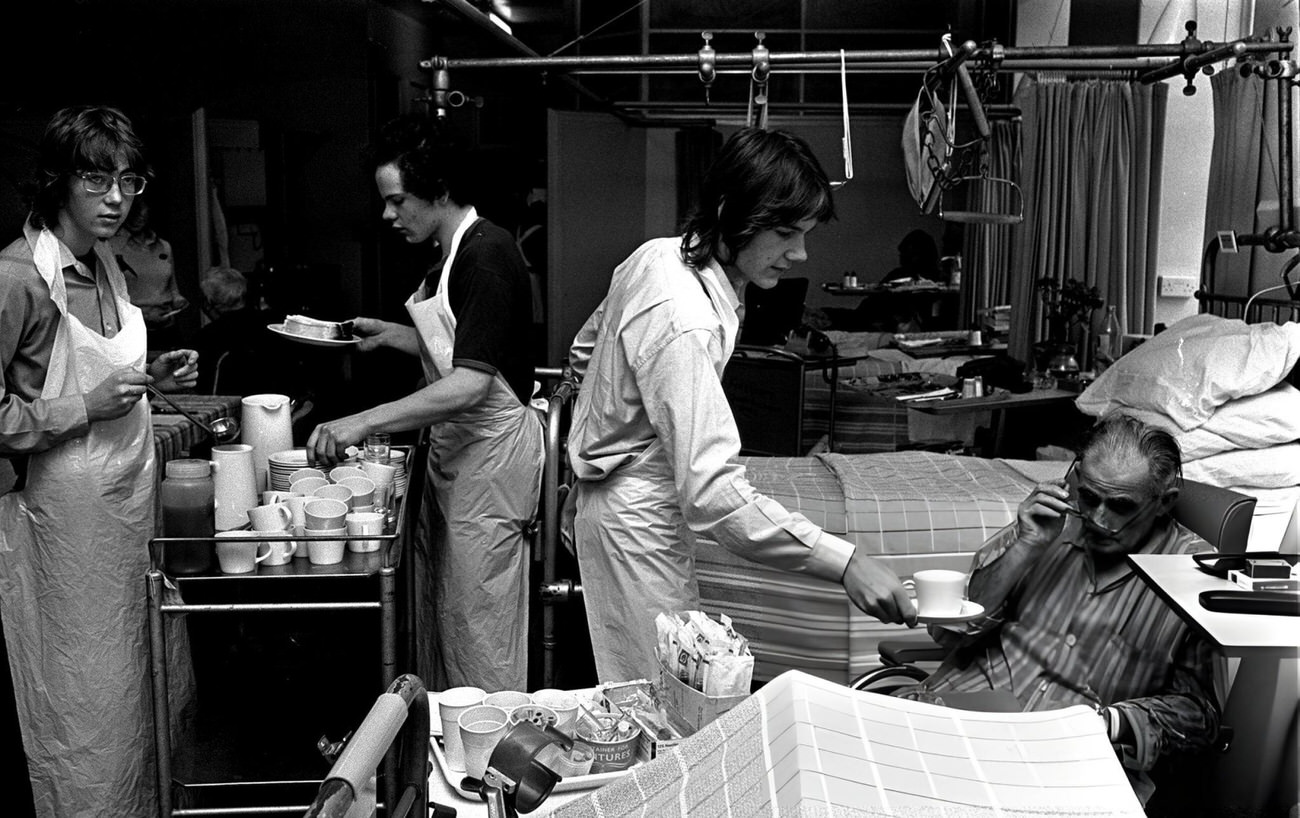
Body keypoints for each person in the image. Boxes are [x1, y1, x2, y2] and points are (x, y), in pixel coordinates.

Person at [566, 128, 916, 684]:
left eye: (803, 233)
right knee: (664, 703)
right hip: (637, 518)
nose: (799, 253)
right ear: (730, 212)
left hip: (624, 494)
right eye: (784, 232)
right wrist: (846, 562)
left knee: (662, 687)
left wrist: (589, 443)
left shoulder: (658, 255)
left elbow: (585, 350)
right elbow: (711, 495)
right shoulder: (685, 316)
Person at [0, 105, 199, 816]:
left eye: (129, 180)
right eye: (96, 179)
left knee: (138, 692)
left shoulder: (105, 265)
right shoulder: (18, 278)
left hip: (127, 525)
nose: (116, 198)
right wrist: (86, 405)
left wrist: (155, 383)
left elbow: (109, 377)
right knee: (84, 711)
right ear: (58, 182)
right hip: (64, 538)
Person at [307, 115, 542, 692]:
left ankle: (488, 758)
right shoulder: (454, 254)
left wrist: (359, 422)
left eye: (397, 201)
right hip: (462, 454)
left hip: (491, 461)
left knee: (478, 623)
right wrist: (391, 334)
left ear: (437, 191)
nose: (388, 215)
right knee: (448, 614)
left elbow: (471, 382)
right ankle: (447, 756)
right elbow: (469, 346)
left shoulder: (487, 255)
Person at [904, 413, 1221, 802]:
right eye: (1088, 497)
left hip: (1068, 759)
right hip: (960, 713)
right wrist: (1026, 546)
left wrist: (1113, 722)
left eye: (1120, 506)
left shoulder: (1194, 572)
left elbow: (1200, 716)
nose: (1098, 519)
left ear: (1163, 503)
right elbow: (953, 629)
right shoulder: (1048, 523)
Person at [110, 199, 189, 349]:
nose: (138, 219)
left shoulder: (164, 247)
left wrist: (178, 300)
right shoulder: (111, 247)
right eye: (134, 214)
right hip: (131, 328)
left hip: (166, 325)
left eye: (142, 215)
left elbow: (173, 289)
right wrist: (144, 315)